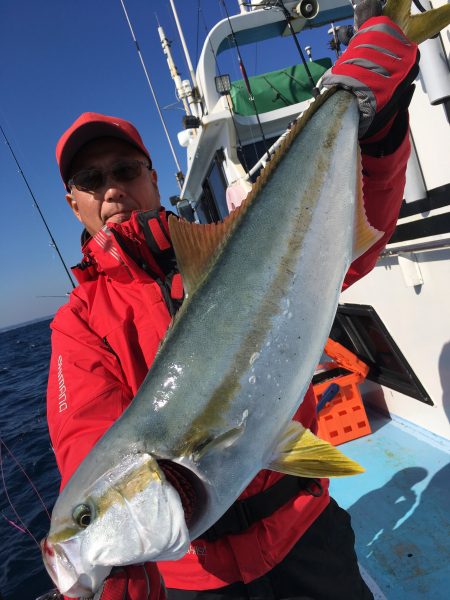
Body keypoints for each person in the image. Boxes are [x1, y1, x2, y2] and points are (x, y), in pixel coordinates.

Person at [46, 11, 418, 600]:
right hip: (200, 580)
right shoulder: (78, 324)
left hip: (303, 532)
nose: (111, 188)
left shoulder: (227, 250)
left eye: (124, 170)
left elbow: (349, 249)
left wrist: (381, 126)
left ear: (153, 177)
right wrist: (117, 571)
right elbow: (86, 443)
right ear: (74, 203)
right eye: (91, 180)